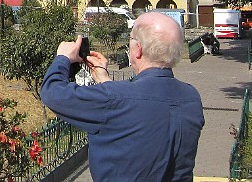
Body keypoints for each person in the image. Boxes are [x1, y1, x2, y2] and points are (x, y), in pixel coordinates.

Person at [40, 12, 204, 182]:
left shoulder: (115, 98)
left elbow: (53, 92)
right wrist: (104, 80)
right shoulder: (191, 98)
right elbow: (141, 112)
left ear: (138, 49)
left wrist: (63, 58)